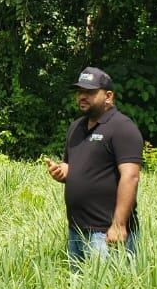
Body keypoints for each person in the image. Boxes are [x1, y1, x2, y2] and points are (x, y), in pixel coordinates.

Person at [45, 67, 143, 266]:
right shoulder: (76, 127)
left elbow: (130, 177)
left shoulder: (122, 127)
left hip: (106, 234)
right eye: (80, 91)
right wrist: (62, 171)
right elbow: (71, 165)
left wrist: (119, 225)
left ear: (108, 96)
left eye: (90, 92)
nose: (83, 96)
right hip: (77, 231)